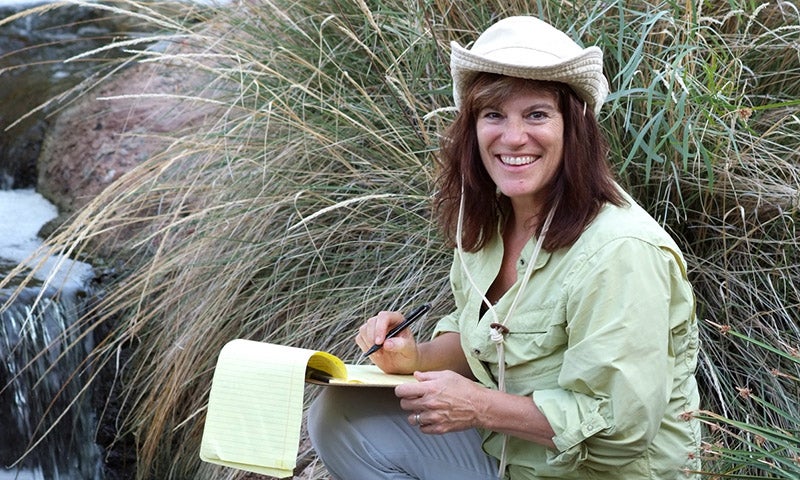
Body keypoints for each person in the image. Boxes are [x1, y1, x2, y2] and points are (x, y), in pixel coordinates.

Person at [308, 15, 701, 480]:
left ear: (573, 126)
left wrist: (480, 408)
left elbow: (618, 432)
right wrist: (415, 357)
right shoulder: (492, 220)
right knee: (340, 416)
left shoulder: (621, 252)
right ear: (472, 129)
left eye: (536, 114)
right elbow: (479, 339)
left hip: (596, 472)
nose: (513, 138)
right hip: (513, 453)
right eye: (494, 115)